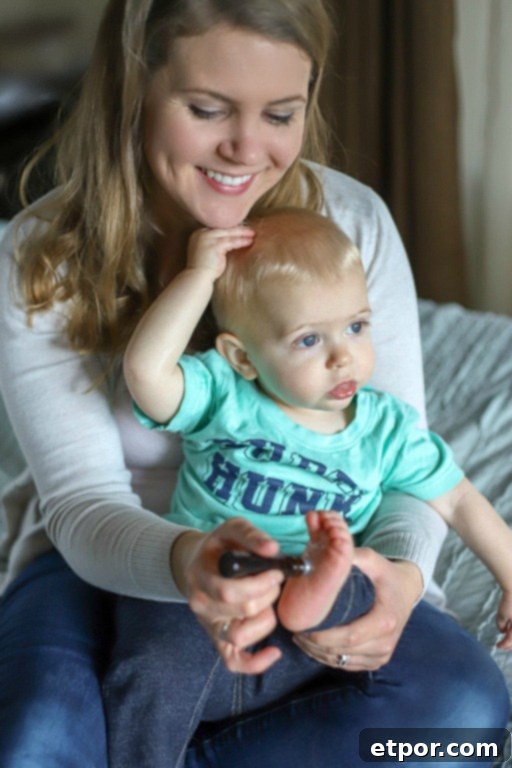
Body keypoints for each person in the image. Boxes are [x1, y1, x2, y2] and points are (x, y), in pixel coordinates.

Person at [0, 1, 508, 767]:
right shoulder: (38, 258)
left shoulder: (351, 224)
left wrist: (402, 578)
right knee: (36, 743)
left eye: (279, 114)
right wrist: (191, 563)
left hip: (311, 571)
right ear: (135, 91)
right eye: (207, 110)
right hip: (105, 564)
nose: (245, 149)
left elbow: (402, 456)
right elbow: (83, 502)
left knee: (463, 722)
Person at [103, 207, 512, 767]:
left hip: (319, 625)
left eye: (356, 326)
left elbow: (458, 499)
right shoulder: (224, 394)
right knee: (145, 672)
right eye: (308, 340)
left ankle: (313, 584)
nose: (343, 356)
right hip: (210, 595)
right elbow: (146, 374)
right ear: (242, 357)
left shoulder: (385, 429)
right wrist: (198, 277)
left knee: (362, 575)